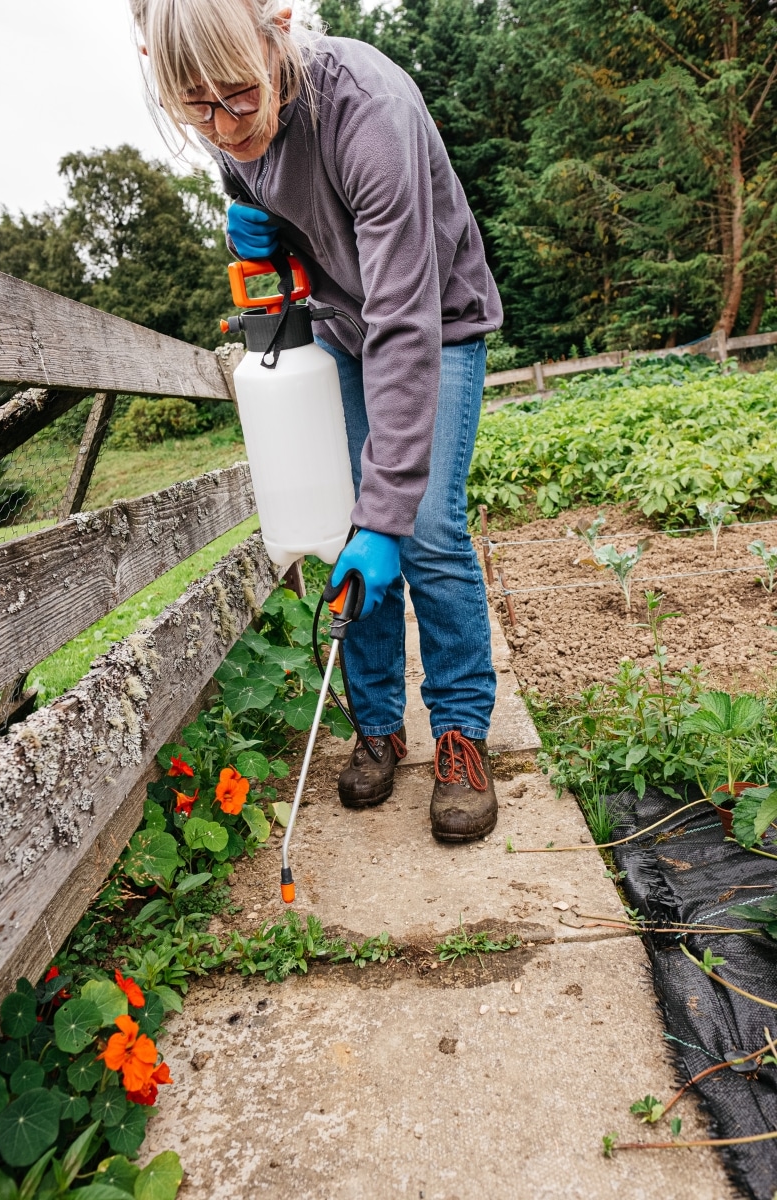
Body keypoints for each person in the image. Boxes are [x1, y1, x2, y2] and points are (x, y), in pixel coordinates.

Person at [131, 0, 503, 842]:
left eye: (238, 98)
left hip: (433, 321)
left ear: (278, 33)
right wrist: (262, 245)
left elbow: (405, 320)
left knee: (427, 528)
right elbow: (299, 249)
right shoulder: (232, 135)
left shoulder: (369, 111)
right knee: (344, 532)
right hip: (340, 323)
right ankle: (377, 724)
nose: (225, 127)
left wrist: (389, 510)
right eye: (198, 108)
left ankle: (460, 735)